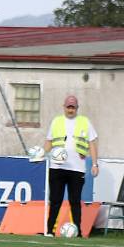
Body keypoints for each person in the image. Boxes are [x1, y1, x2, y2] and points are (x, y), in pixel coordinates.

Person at [43, 95, 99, 237]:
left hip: (77, 168)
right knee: (55, 200)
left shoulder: (85, 122)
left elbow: (92, 143)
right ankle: (49, 231)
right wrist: (42, 154)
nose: (70, 109)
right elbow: (49, 142)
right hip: (57, 167)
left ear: (77, 108)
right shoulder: (56, 121)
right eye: (68, 107)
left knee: (75, 201)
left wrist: (94, 163)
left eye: (73, 107)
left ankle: (78, 232)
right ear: (64, 107)